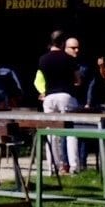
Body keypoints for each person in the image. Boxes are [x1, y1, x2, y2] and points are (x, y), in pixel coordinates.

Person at [37, 31, 86, 175]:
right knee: (70, 131)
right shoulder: (69, 59)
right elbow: (78, 80)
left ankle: (53, 167)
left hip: (49, 97)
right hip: (66, 95)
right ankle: (74, 167)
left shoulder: (42, 59)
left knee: (51, 133)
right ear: (63, 43)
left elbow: (41, 79)